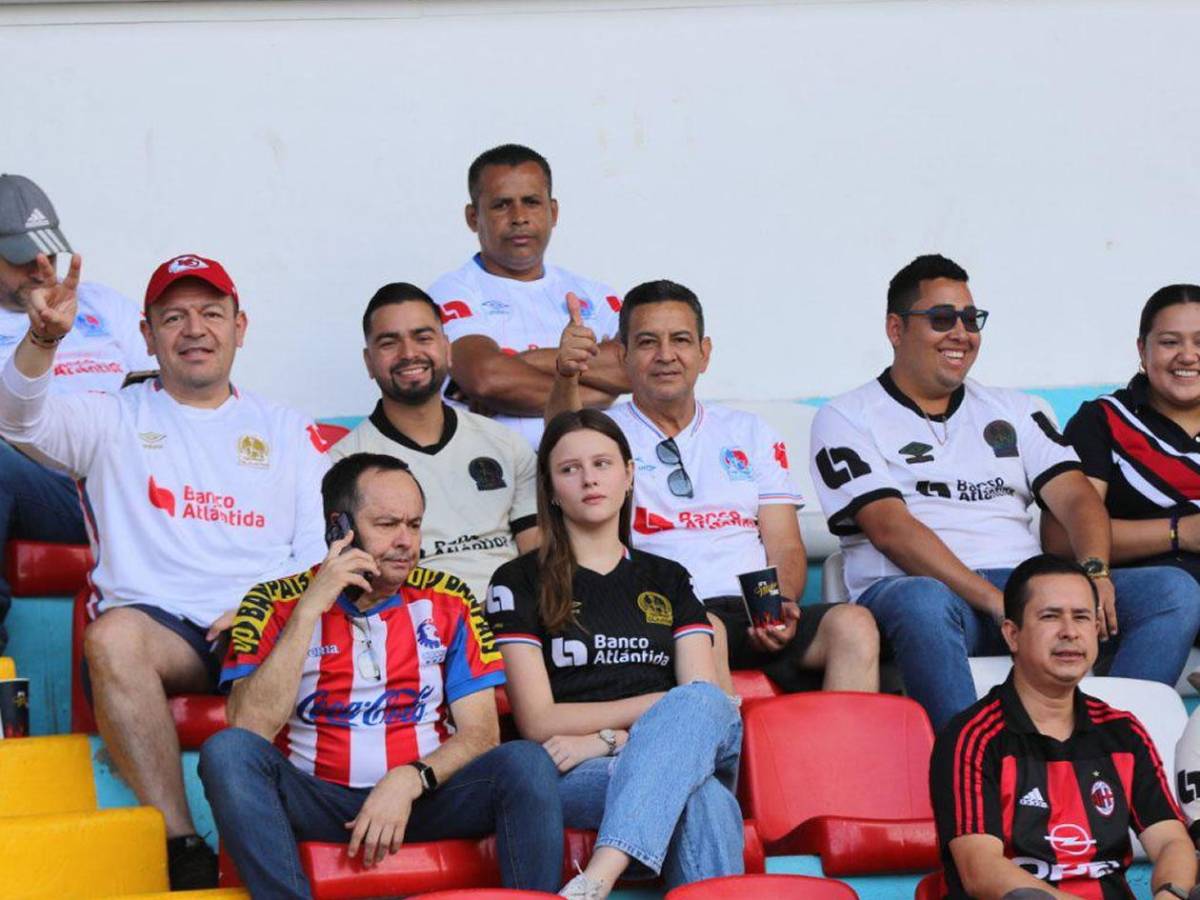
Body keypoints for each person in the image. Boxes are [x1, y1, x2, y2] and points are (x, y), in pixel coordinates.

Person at [0, 251, 330, 888]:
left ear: (240, 327)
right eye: (173, 317)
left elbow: (319, 551)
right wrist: (42, 340)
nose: (194, 329)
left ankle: (295, 846)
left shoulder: (288, 428)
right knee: (112, 639)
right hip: (164, 632)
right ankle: (181, 843)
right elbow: (16, 419)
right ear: (146, 336)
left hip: (265, 623)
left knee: (316, 634)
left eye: (211, 313)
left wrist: (263, 610)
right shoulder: (110, 416)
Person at [808, 254, 1200, 730]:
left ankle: (1110, 744)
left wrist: (1094, 571)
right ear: (896, 328)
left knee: (1171, 591)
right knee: (921, 601)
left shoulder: (1014, 409)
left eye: (971, 319)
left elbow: (1076, 497)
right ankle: (971, 759)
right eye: (941, 318)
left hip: (1025, 590)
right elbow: (891, 529)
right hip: (930, 593)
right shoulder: (846, 416)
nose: (961, 332)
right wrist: (997, 601)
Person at [200, 453, 563, 899]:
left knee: (526, 762)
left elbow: (481, 734)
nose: (406, 541)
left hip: (426, 797)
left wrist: (409, 780)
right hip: (318, 799)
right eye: (388, 524)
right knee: (227, 752)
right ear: (339, 528)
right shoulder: (272, 602)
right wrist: (310, 608)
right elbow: (250, 728)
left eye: (414, 524)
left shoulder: (450, 599)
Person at [548, 279, 879, 693]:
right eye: (648, 342)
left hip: (752, 610)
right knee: (707, 631)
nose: (666, 355)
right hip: (660, 617)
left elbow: (784, 544)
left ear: (704, 353)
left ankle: (841, 741)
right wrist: (567, 376)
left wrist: (778, 608)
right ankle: (724, 738)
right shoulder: (605, 434)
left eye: (681, 340)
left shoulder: (750, 431)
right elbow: (564, 443)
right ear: (622, 355)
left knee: (854, 625)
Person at [486, 409, 744, 899]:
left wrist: (605, 739)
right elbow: (539, 721)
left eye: (602, 464)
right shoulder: (518, 580)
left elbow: (703, 705)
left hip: (636, 748)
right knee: (704, 796)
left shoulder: (668, 577)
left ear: (628, 474)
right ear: (550, 488)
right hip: (575, 770)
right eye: (570, 469)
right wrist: (643, 724)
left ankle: (597, 878)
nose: (589, 479)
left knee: (701, 704)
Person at [931, 553, 1196, 899]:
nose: (1070, 632)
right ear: (1012, 634)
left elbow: (1172, 840)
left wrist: (1171, 893)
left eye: (1082, 617)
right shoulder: (973, 737)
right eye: (1050, 616)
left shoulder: (1123, 732)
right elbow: (979, 869)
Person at [0, 174, 155, 652]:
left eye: (49, 252)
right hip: (46, 484)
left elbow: (163, 389)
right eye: (23, 257)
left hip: (132, 480)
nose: (42, 269)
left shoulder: (102, 304)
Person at [332, 283, 538, 602]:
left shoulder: (506, 445)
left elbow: (538, 558)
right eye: (389, 343)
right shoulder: (342, 465)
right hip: (412, 621)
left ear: (447, 348)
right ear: (369, 362)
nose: (409, 353)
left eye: (423, 338)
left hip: (511, 617)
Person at [428, 144, 629, 447]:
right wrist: (601, 391)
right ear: (472, 217)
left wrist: (516, 364)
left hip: (586, 468)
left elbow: (636, 369)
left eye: (532, 202)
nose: (519, 217)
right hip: (495, 468)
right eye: (501, 205)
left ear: (553, 212)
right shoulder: (451, 291)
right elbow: (487, 378)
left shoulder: (595, 294)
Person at [1050, 285, 1200, 587]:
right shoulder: (1104, 420)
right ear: (1142, 349)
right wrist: (1179, 532)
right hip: (1150, 591)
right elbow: (1061, 539)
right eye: (1170, 342)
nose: (1187, 356)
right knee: (1176, 589)